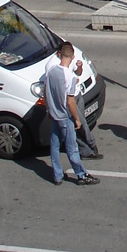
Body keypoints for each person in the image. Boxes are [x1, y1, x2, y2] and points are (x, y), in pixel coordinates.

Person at [45, 43, 99, 187]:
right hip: (64, 116)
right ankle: (81, 175)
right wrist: (76, 119)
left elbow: (46, 92)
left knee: (55, 146)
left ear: (60, 54)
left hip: (54, 115)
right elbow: (70, 102)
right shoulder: (68, 76)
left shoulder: (51, 71)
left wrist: (48, 110)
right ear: (73, 56)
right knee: (72, 148)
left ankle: (57, 175)